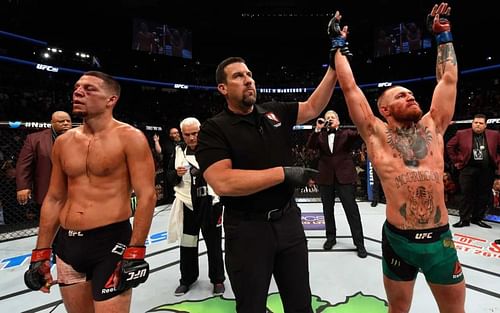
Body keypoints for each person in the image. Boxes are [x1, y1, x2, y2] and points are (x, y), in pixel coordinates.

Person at [333, 4, 465, 312]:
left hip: (440, 241)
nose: (411, 97)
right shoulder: (376, 134)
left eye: (411, 94)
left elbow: (448, 80)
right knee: (398, 310)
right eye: (401, 96)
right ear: (385, 110)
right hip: (398, 241)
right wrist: (337, 46)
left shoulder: (434, 126)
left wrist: (444, 36)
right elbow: (350, 87)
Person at [196, 35, 341, 311]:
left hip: (288, 222)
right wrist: (283, 173)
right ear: (223, 88)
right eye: (239, 76)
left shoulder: (273, 111)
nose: (249, 80)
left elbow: (312, 107)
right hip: (247, 230)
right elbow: (223, 182)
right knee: (251, 307)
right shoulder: (214, 129)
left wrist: (333, 68)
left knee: (300, 304)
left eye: (249, 74)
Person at [23, 71, 157, 313]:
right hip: (67, 246)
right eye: (76, 88)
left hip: (111, 243)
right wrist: (40, 253)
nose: (78, 92)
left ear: (111, 99)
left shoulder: (130, 138)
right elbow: (54, 198)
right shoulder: (63, 142)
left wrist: (136, 250)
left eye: (89, 88)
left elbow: (147, 195)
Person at [166, 117, 225, 296]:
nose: (191, 138)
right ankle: (187, 279)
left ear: (201, 131)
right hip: (187, 204)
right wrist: (176, 174)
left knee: (213, 243)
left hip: (210, 203)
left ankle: (218, 279)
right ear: (182, 135)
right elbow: (168, 176)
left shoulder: (212, 149)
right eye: (187, 134)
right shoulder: (178, 151)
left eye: (195, 134)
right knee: (187, 244)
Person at [306, 110, 366, 257]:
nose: (330, 119)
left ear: (338, 120)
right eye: (328, 118)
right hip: (326, 177)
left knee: (351, 210)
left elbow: (359, 134)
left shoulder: (346, 133)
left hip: (344, 177)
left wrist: (361, 121)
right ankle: (330, 238)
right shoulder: (320, 135)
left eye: (333, 117)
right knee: (327, 210)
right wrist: (317, 129)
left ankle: (359, 243)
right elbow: (310, 146)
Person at [446, 113, 500, 228]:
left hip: (487, 169)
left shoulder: (494, 135)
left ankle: (477, 218)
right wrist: (457, 161)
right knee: (466, 195)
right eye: (476, 123)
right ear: (472, 123)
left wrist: (497, 159)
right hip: (468, 169)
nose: (478, 125)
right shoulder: (462, 133)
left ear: (485, 125)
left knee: (483, 195)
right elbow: (450, 146)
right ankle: (464, 219)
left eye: (481, 123)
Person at [16, 111, 72, 218]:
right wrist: (23, 187)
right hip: (48, 190)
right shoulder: (35, 139)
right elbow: (24, 165)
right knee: (50, 225)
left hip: (76, 190)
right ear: (52, 123)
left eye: (68, 121)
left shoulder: (80, 137)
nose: (65, 123)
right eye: (61, 121)